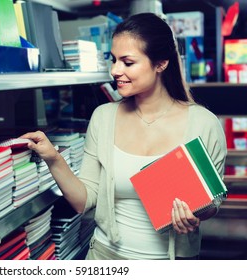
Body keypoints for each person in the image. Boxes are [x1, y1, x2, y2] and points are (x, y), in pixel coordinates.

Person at [20, 12, 227, 260]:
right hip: (106, 258)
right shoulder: (104, 117)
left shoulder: (203, 123)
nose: (115, 70)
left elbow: (212, 201)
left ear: (161, 63)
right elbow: (84, 201)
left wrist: (195, 215)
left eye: (128, 62)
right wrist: (53, 158)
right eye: (113, 60)